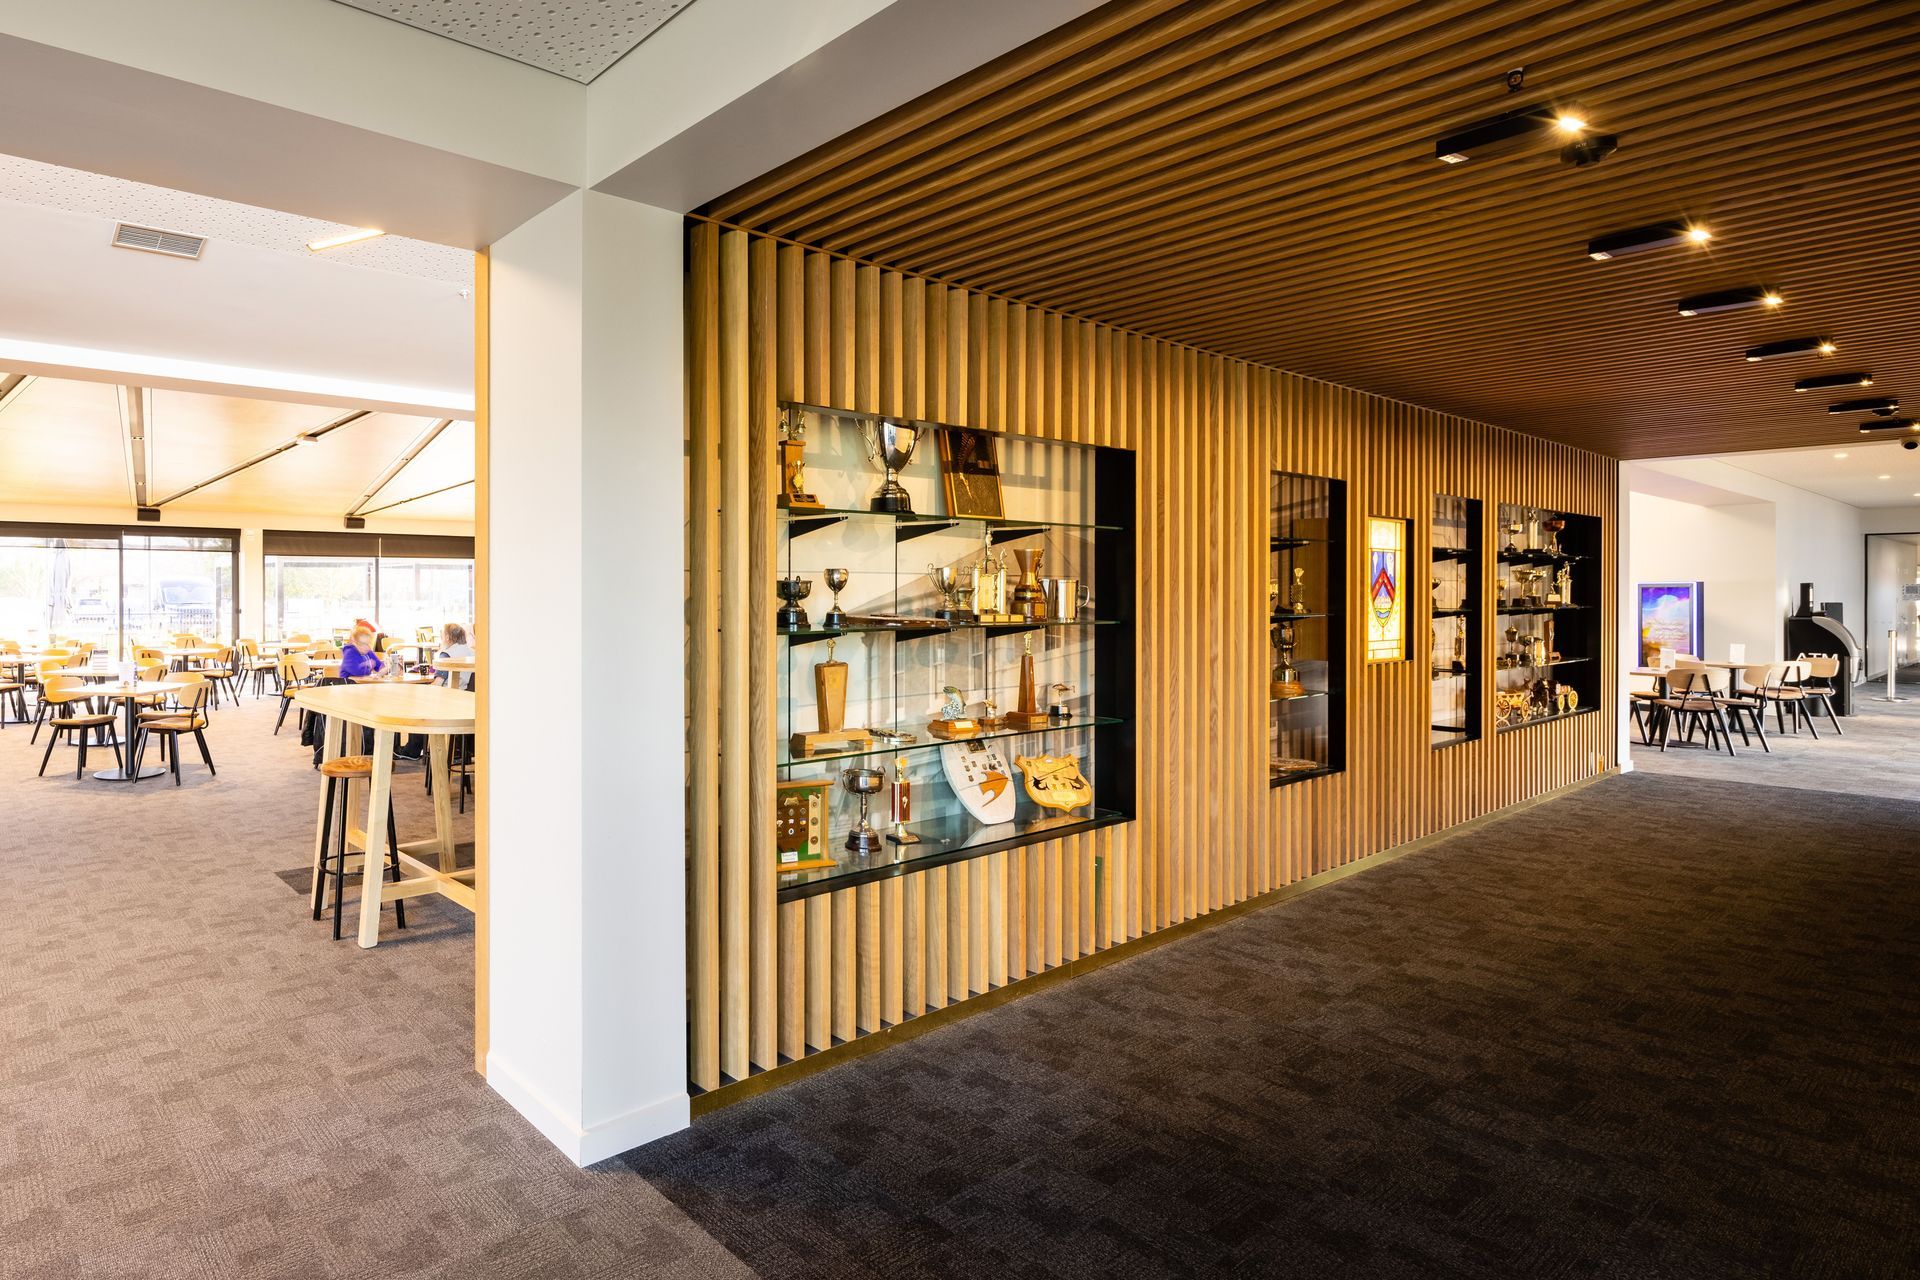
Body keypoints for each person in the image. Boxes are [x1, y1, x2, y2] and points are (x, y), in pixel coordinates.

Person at [435, 622, 474, 690]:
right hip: (465, 694)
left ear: (447, 637)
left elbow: (437, 684)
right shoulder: (472, 652)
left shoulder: (446, 654)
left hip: (448, 694)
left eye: (442, 636)